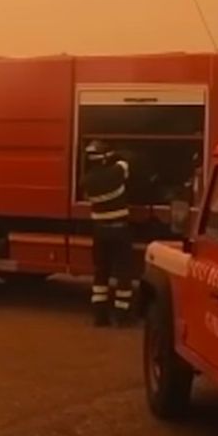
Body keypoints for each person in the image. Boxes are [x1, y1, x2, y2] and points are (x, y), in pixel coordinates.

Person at [81, 140, 135, 327]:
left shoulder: (86, 181)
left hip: (99, 231)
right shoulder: (116, 172)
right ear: (104, 159)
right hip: (120, 231)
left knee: (101, 272)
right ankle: (122, 315)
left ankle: (100, 316)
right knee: (123, 273)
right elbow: (126, 161)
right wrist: (115, 153)